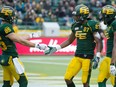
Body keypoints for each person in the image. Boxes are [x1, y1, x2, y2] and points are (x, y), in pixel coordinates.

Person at [45, 4, 102, 87]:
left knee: (85, 82)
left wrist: (97, 56)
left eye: (77, 16)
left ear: (83, 16)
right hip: (77, 56)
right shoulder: (75, 26)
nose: (75, 18)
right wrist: (56, 48)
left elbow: (98, 41)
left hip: (88, 58)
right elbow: (69, 40)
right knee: (67, 78)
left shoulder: (91, 24)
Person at [0, 6, 47, 87]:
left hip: (4, 57)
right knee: (23, 82)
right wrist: (37, 45)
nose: (13, 17)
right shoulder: (6, 27)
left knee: (7, 84)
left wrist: (31, 35)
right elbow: (20, 41)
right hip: (12, 58)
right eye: (12, 15)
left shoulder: (2, 27)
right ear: (8, 16)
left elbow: (16, 38)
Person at [97, 5, 116, 87]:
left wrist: (112, 63)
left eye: (103, 15)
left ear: (108, 15)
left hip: (114, 58)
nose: (102, 17)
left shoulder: (115, 24)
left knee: (114, 83)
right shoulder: (110, 25)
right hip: (108, 57)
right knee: (101, 80)